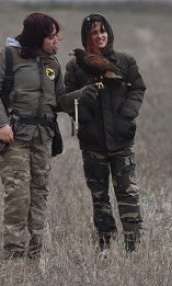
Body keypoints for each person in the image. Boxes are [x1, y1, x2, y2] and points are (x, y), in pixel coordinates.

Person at [0, 12, 64, 262]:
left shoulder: (52, 64)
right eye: (51, 36)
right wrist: (2, 124)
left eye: (57, 36)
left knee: (40, 192)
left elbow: (60, 99)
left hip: (43, 137)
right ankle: (14, 254)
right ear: (38, 36)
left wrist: (86, 93)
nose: (56, 41)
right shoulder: (5, 57)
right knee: (18, 194)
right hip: (13, 137)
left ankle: (38, 253)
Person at [61, 13, 146, 253]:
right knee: (99, 196)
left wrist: (127, 116)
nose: (99, 36)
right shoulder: (75, 66)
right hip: (92, 143)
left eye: (102, 31)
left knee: (128, 193)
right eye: (93, 33)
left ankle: (133, 245)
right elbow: (65, 101)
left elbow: (138, 88)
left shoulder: (125, 61)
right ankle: (105, 243)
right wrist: (83, 109)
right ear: (86, 37)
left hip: (121, 140)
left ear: (108, 32)